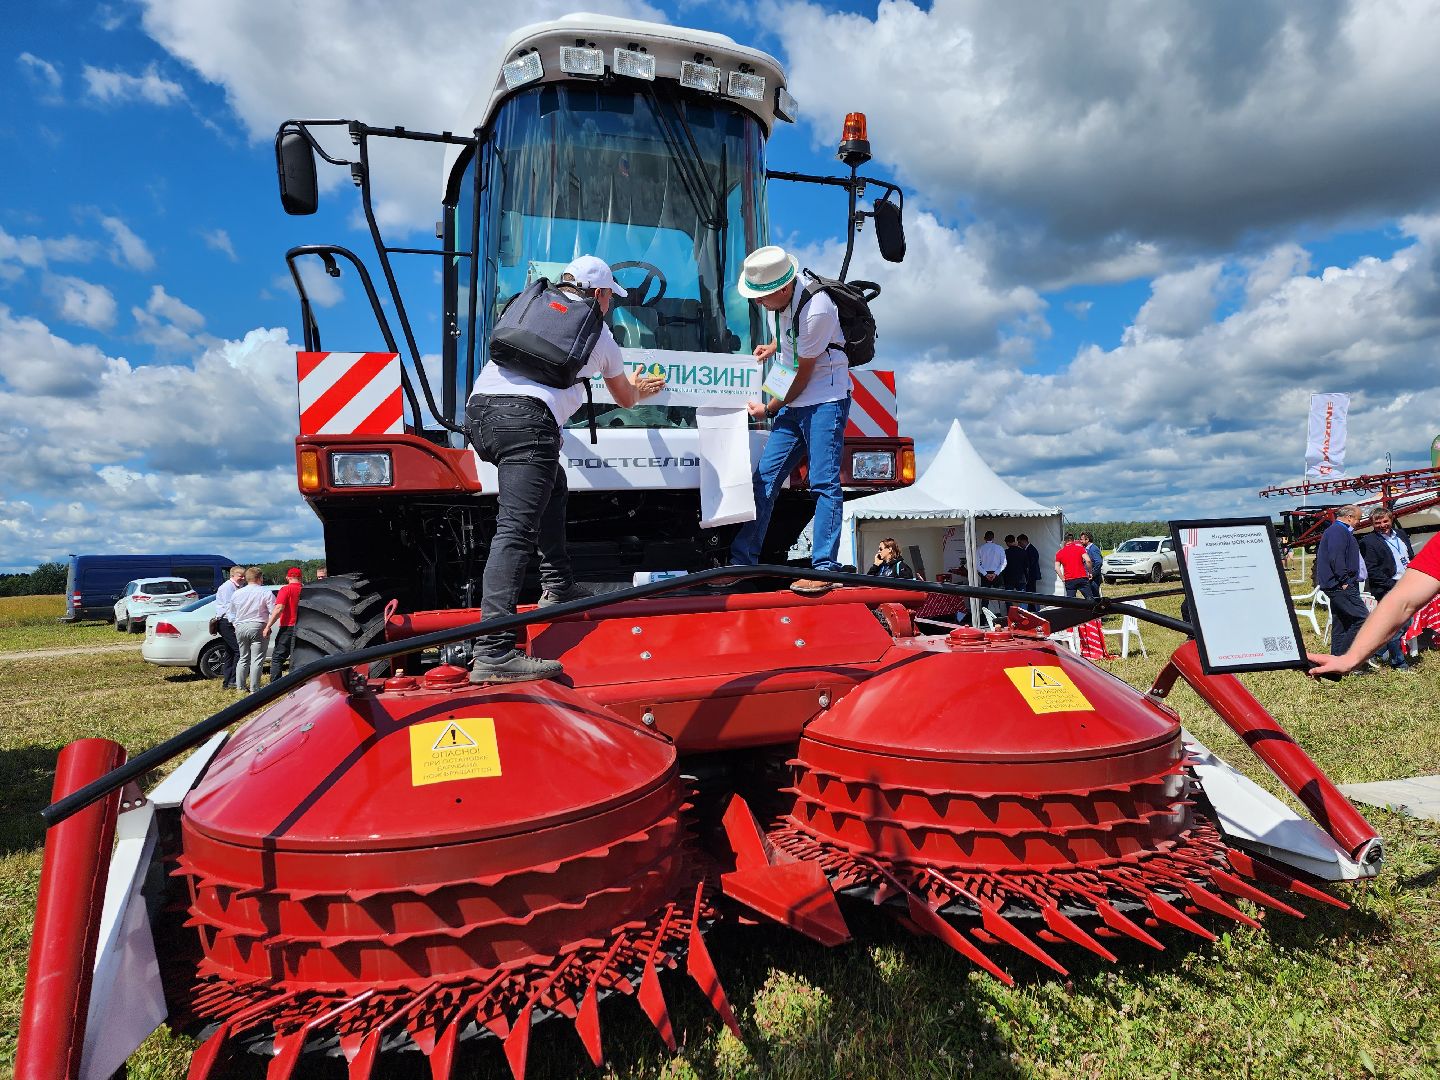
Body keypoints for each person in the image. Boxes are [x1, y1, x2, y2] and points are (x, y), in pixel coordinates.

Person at [466, 255, 664, 684]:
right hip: (527, 422)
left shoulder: (530, 305)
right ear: (601, 293)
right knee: (516, 530)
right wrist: (644, 388)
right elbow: (626, 399)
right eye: (611, 295)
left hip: (480, 415)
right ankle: (493, 652)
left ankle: (558, 584)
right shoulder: (599, 332)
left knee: (554, 482)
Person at [729, 246, 852, 597]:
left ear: (783, 289)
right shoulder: (780, 303)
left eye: (761, 297)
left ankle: (824, 569)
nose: (758, 303)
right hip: (798, 400)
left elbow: (800, 376)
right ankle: (743, 562)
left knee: (824, 483)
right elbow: (788, 341)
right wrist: (772, 347)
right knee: (764, 480)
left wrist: (768, 408)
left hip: (825, 399)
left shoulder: (818, 310)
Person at [1310, 537, 1440, 676]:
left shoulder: (1399, 537)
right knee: (1358, 618)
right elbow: (1402, 602)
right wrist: (1349, 659)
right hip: (1371, 587)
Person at [1359, 507, 1415, 669]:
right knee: (1396, 626)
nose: (1382, 525)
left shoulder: (1402, 535)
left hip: (1408, 584)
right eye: (1378, 522)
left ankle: (1374, 653)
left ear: (1391, 519)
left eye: (1385, 521)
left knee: (1406, 622)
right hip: (1388, 588)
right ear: (1372, 524)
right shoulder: (1368, 542)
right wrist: (1393, 585)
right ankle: (1399, 663)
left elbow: (1410, 557)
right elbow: (1372, 570)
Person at [1316, 505, 1371, 664]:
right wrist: (1345, 580)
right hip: (1340, 584)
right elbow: (1336, 557)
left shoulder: (1339, 531)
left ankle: (1335, 660)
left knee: (1341, 622)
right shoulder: (1338, 532)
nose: (1359, 522)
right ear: (1349, 517)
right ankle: (1346, 658)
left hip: (1338, 584)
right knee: (1362, 618)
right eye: (1358, 519)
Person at [229, 567, 273, 693]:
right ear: (260, 578)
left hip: (241, 626)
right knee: (257, 658)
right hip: (257, 625)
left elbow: (231, 613)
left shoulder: (237, 593)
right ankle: (255, 688)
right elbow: (273, 610)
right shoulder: (265, 592)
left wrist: (235, 624)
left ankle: (240, 687)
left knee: (243, 657)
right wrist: (268, 625)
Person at [262, 567, 304, 682]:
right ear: (301, 577)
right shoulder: (306, 590)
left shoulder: (285, 590)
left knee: (278, 657)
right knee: (297, 656)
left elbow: (279, 608)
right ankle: (296, 681)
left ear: (287, 577)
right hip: (304, 627)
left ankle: (276, 684)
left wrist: (268, 626)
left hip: (288, 627)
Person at [213, 565, 245, 690]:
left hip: (229, 621)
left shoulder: (238, 586)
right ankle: (233, 680)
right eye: (240, 576)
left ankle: (227, 682)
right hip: (227, 621)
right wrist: (234, 623)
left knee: (230, 652)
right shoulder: (227, 587)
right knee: (239, 650)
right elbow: (228, 607)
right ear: (232, 575)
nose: (242, 578)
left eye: (243, 576)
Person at [1055, 533, 1092, 599]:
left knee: (1071, 602)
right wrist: (1090, 572)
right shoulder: (1080, 548)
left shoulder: (1059, 553)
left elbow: (1056, 568)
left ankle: (1073, 609)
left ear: (1064, 541)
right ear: (1073, 540)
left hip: (1069, 579)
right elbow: (1088, 560)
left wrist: (1062, 578)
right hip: (1082, 577)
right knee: (1090, 599)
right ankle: (1092, 608)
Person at [1081, 532, 1103, 599]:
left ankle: (1098, 609)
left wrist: (1092, 573)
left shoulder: (1093, 549)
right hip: (1089, 577)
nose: (1080, 541)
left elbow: (1099, 562)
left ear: (1087, 540)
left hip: (1094, 579)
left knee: (1095, 597)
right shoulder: (1086, 549)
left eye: (1082, 539)